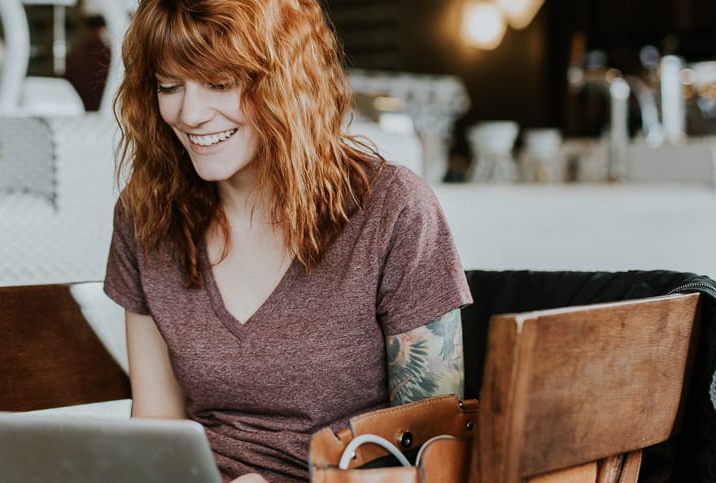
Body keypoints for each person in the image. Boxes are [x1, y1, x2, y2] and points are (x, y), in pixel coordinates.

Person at [102, 0, 472, 481]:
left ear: (285, 81)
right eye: (169, 86)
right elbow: (155, 432)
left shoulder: (393, 209)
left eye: (220, 83)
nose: (190, 114)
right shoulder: (146, 215)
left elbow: (436, 456)